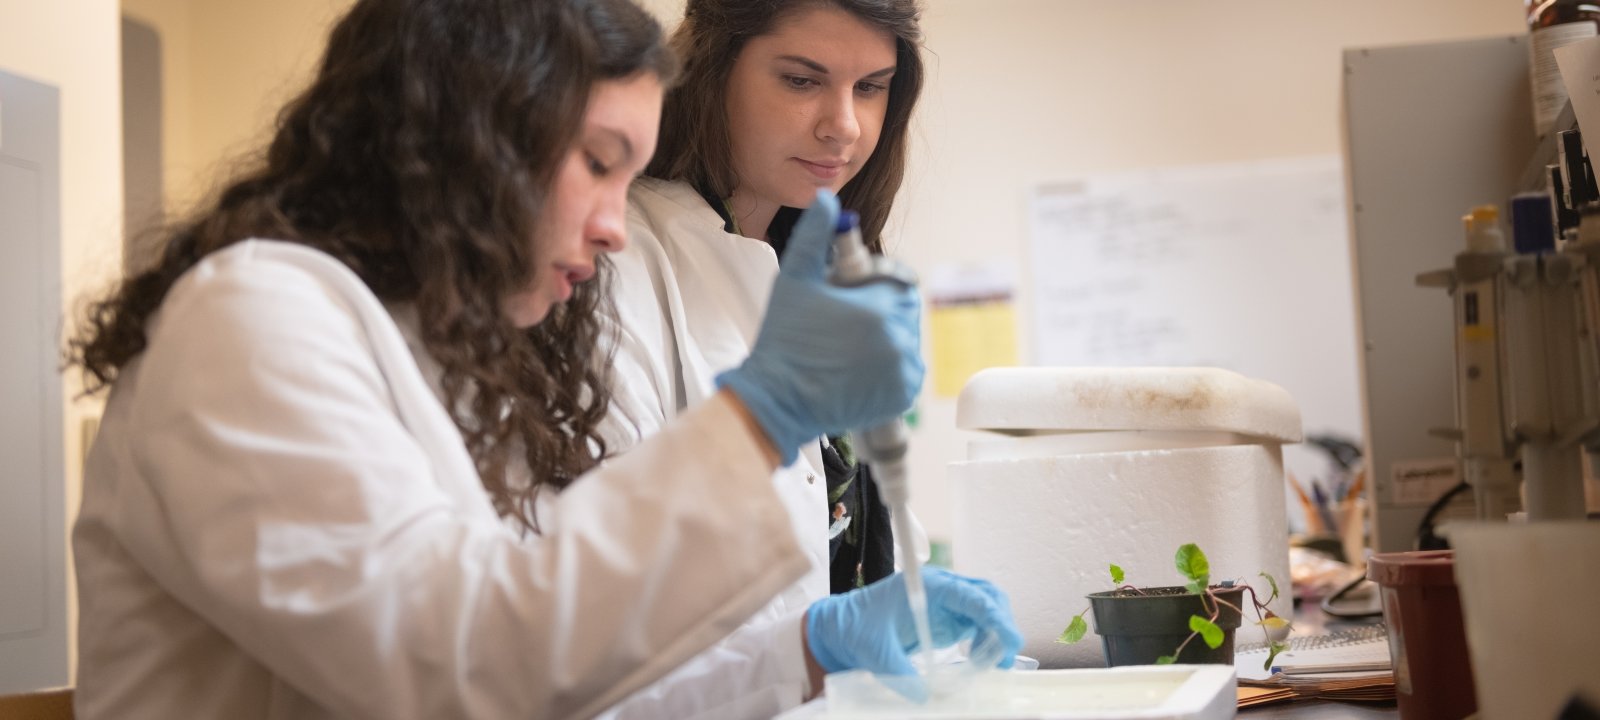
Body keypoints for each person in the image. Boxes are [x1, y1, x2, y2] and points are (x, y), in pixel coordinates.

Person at [65, 0, 1015, 718]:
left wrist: (804, 654)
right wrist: (762, 413)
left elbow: (560, 684)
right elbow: (455, 671)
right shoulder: (252, 319)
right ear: (470, 137)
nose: (615, 228)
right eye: (599, 163)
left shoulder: (439, 352)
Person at [598, 1, 1004, 717]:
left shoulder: (822, 268)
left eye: (870, 87)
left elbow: (844, 539)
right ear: (712, 70)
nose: (844, 125)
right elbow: (601, 605)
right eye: (801, 80)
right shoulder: (615, 260)